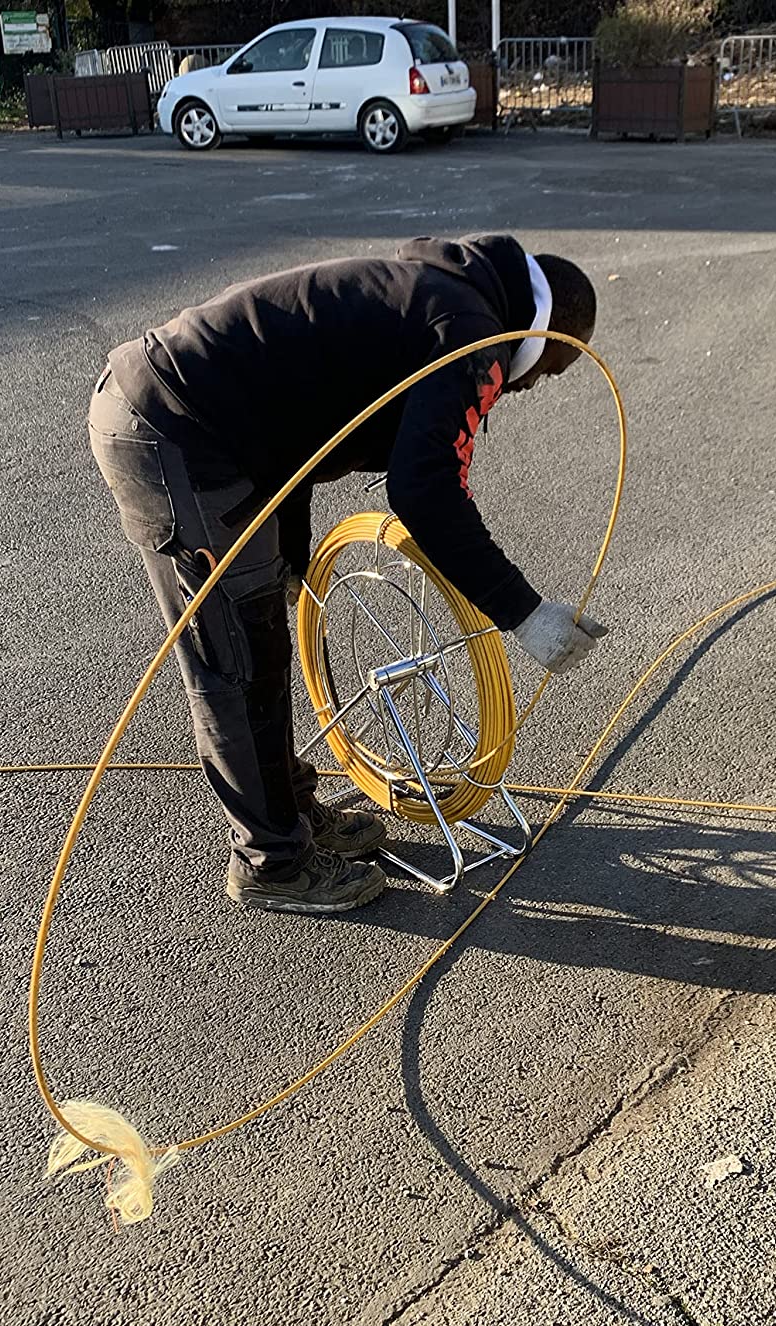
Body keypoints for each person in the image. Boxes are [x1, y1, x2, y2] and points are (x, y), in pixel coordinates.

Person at [88, 233, 605, 914]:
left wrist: (292, 557)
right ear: (545, 335)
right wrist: (524, 613)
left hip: (208, 422)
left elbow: (301, 415)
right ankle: (272, 862)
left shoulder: (445, 294)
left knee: (260, 632)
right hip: (177, 428)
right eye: (554, 369)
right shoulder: (472, 338)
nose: (534, 385)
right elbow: (426, 489)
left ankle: (288, 810)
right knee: (237, 659)